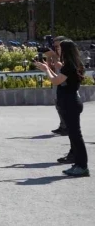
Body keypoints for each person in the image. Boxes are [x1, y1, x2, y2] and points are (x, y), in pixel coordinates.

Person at [35, 39, 89, 177]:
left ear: (65, 50)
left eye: (59, 48)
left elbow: (55, 81)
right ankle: (78, 164)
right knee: (73, 135)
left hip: (71, 102)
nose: (57, 50)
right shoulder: (72, 64)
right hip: (69, 102)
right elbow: (58, 79)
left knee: (76, 136)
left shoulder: (70, 65)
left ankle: (82, 166)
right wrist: (48, 67)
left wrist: (46, 69)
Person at [46, 36, 70, 136]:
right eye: (54, 46)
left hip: (66, 86)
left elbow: (60, 68)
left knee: (65, 107)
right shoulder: (57, 55)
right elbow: (52, 68)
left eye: (57, 45)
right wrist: (48, 57)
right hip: (58, 85)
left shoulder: (68, 57)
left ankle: (67, 128)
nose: (56, 48)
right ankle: (63, 126)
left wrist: (55, 57)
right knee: (58, 106)